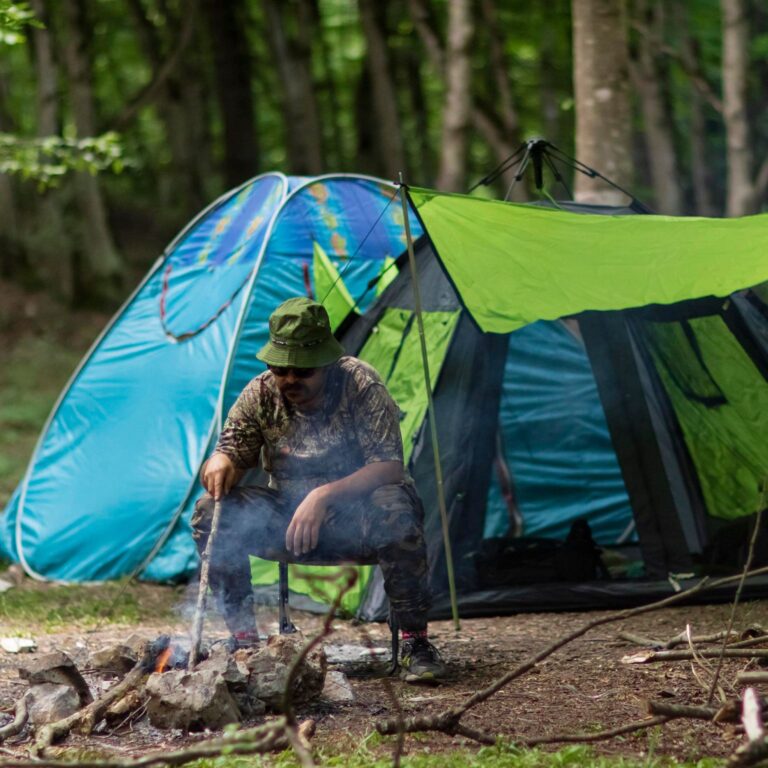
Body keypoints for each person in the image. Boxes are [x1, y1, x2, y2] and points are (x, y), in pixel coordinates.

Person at [192, 297, 446, 682]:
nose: (290, 379)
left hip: (358, 517)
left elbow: (389, 466)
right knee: (211, 510)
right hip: (288, 519)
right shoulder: (260, 393)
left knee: (395, 509)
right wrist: (221, 462)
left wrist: (323, 495)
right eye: (280, 369)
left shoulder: (361, 385)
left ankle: (415, 642)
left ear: (326, 364)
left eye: (303, 371)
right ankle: (244, 640)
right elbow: (231, 452)